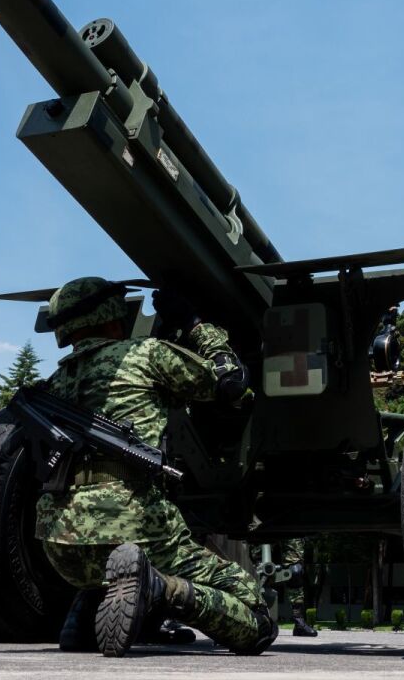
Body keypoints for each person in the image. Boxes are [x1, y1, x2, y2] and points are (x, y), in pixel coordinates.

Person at [35, 278, 275, 657]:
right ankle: (160, 588)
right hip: (139, 530)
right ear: (113, 314)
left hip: (61, 547)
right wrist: (196, 326)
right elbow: (230, 383)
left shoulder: (53, 385)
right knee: (259, 622)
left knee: (108, 563)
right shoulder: (147, 355)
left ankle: (84, 617)